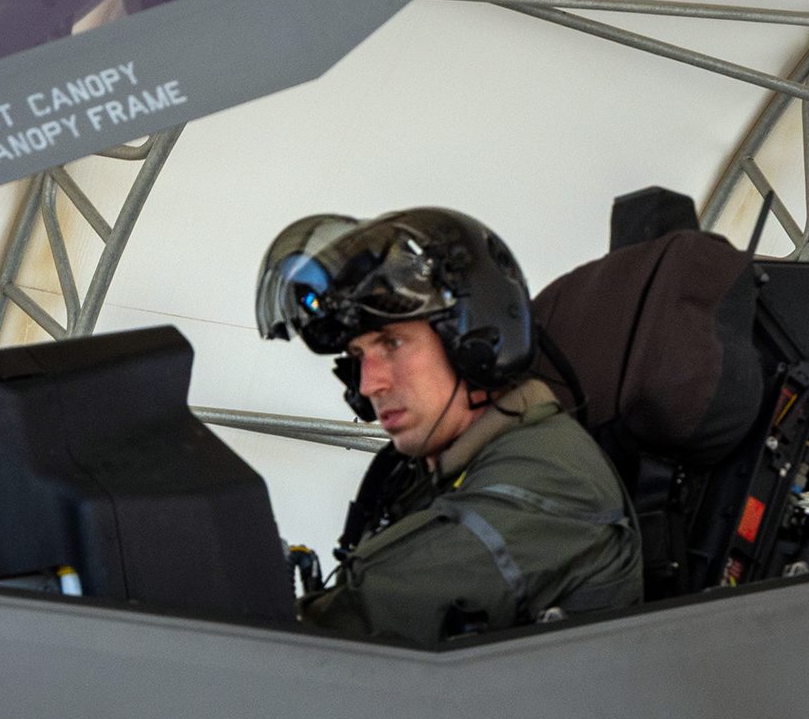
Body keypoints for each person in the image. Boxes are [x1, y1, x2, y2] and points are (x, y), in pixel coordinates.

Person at [255, 207, 643, 644]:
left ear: (473, 340)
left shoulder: (551, 477)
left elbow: (363, 623)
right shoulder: (430, 467)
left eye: (392, 343)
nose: (370, 383)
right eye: (360, 356)